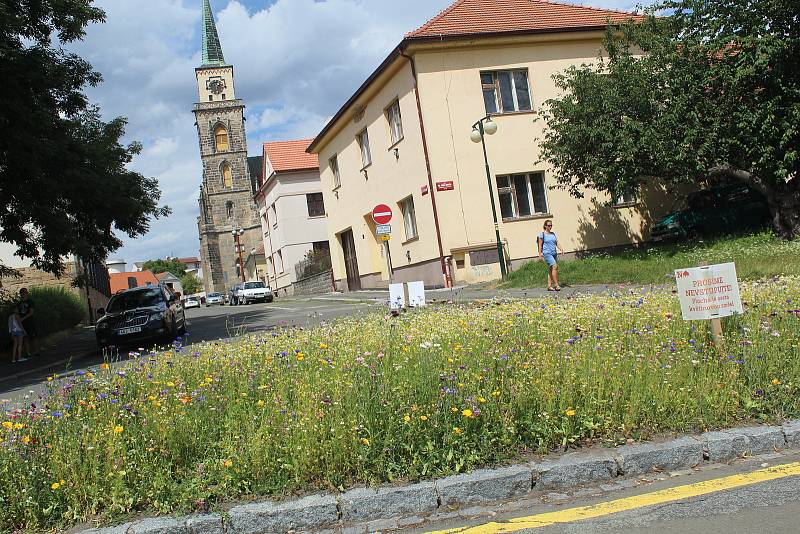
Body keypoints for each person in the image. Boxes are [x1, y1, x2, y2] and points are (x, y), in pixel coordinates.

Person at [536, 219, 564, 291]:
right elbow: (540, 245)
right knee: (555, 266)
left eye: (551, 225)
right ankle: (557, 285)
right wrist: (540, 255)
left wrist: (561, 249)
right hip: (547, 253)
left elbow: (556, 242)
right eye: (548, 225)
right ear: (545, 226)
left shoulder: (553, 234)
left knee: (551, 269)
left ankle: (549, 286)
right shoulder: (542, 235)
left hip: (554, 253)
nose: (550, 227)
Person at [16, 288, 39, 358]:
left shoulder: (30, 302)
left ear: (27, 293)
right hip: (22, 323)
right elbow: (17, 313)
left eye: (24, 292)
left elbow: (31, 312)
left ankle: (36, 351)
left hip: (30, 322)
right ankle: (28, 352)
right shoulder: (19, 303)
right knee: (25, 337)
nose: (23, 294)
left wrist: (23, 318)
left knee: (34, 336)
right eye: (22, 293)